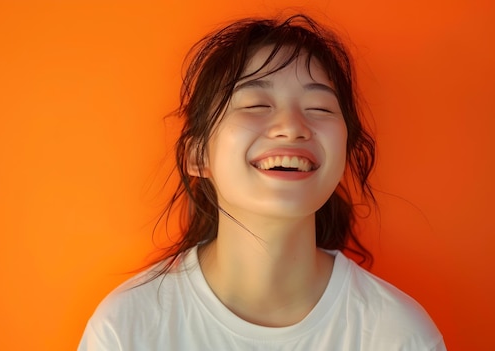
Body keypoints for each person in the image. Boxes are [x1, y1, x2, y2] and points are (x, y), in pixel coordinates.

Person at [78, 13, 446, 350]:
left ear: (346, 151)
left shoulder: (398, 335)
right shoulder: (128, 329)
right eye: (256, 104)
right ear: (197, 156)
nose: (291, 127)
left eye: (320, 109)